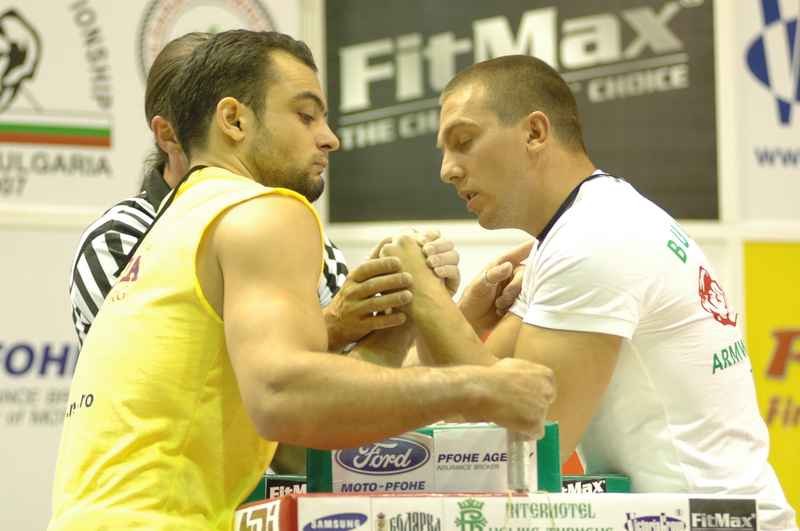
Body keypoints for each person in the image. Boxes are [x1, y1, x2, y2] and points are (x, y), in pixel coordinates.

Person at [47, 33, 555, 531]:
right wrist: (479, 386)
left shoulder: (183, 218)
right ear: (233, 119)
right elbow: (283, 397)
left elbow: (309, 428)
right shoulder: (264, 211)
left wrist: (395, 320)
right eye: (306, 115)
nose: (330, 137)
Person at [379, 55, 796, 530]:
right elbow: (459, 397)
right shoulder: (584, 227)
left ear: (535, 133)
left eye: (463, 142)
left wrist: (430, 301)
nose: (447, 170)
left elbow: (527, 452)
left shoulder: (593, 239)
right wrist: (465, 319)